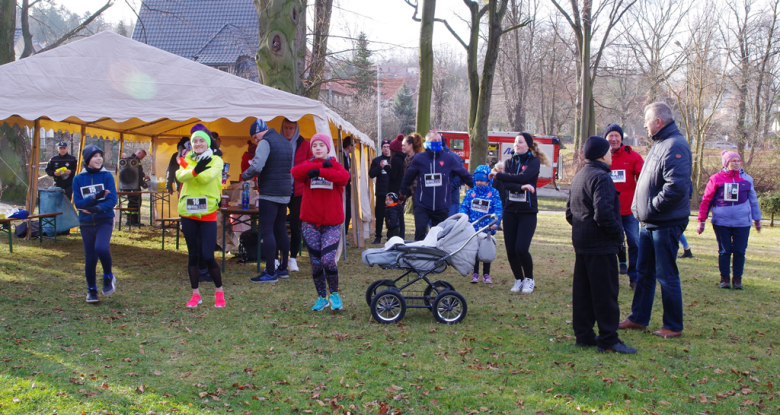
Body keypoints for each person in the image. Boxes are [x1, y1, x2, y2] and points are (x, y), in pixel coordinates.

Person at [620, 102, 692, 339]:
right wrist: (637, 208)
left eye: (646, 120)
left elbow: (676, 187)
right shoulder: (659, 144)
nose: (644, 124)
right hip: (649, 222)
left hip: (665, 223)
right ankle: (638, 318)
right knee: (644, 272)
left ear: (658, 122)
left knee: (666, 274)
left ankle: (673, 325)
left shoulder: (675, 145)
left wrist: (650, 208)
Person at [566, 136, 637, 354]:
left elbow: (570, 213)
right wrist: (618, 236)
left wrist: (583, 228)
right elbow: (604, 214)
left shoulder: (579, 176)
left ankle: (584, 335)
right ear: (601, 154)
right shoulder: (602, 177)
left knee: (583, 293)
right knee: (606, 294)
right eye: (608, 151)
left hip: (582, 243)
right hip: (600, 245)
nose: (610, 155)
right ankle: (608, 339)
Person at [291, 133, 351, 311]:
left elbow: (344, 178)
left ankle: (334, 294)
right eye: (314, 145)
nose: (317, 148)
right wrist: (313, 167)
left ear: (327, 148)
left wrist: (321, 171)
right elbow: (295, 172)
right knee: (316, 262)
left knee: (327, 260)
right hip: (310, 222)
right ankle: (321, 297)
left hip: (332, 223)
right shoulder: (307, 164)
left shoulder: (335, 165)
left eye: (321, 145)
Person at [696, 150, 762, 290]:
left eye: (738, 160)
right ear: (726, 162)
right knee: (724, 251)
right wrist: (701, 221)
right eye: (733, 160)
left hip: (742, 222)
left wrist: (757, 219)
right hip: (721, 222)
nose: (736, 163)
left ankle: (737, 280)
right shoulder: (716, 178)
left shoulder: (747, 180)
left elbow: (754, 201)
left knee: (739, 251)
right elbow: (707, 200)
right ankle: (724, 279)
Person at [494, 133, 550, 294]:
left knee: (521, 248)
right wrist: (522, 187)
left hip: (527, 212)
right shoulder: (508, 162)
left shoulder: (533, 162)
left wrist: (500, 175)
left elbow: (523, 177)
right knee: (511, 250)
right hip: (510, 211)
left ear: (528, 145)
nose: (516, 144)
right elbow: (507, 184)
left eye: (520, 142)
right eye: (515, 142)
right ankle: (518, 279)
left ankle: (529, 279)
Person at [176, 130, 226, 308]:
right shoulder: (187, 159)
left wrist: (193, 172)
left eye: (201, 141)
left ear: (208, 143)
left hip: (207, 213)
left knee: (208, 255)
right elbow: (180, 175)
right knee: (193, 256)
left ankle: (219, 291)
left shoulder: (216, 160)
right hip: (188, 213)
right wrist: (194, 170)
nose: (198, 144)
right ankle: (195, 294)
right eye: (194, 141)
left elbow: (207, 178)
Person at [242, 119, 293, 282]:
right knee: (281, 230)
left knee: (267, 231)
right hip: (284, 192)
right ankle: (283, 268)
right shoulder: (285, 142)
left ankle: (270, 271)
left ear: (258, 132)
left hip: (269, 192)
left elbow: (257, 166)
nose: (256, 141)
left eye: (255, 137)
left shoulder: (266, 142)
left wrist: (245, 175)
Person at [399, 131, 473, 241]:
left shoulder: (449, 158)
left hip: (441, 205)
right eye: (433, 141)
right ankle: (419, 255)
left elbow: (464, 174)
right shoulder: (420, 159)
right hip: (422, 204)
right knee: (420, 230)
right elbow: (408, 178)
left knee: (440, 235)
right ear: (427, 143)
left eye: (438, 140)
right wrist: (402, 194)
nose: (436, 143)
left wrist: (476, 187)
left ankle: (437, 256)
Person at [72, 145, 118, 303]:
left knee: (101, 248)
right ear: (87, 160)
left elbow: (112, 200)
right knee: (90, 258)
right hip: (85, 224)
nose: (99, 159)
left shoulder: (107, 176)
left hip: (104, 220)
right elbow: (78, 203)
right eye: (95, 156)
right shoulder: (78, 179)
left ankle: (108, 276)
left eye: (100, 155)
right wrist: (94, 197)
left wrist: (96, 208)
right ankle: (91, 290)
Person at [604, 123, 644, 289]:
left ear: (621, 138)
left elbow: (643, 178)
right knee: (611, 245)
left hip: (629, 211)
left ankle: (634, 277)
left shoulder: (633, 156)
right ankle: (611, 277)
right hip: (608, 211)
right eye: (610, 136)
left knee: (634, 242)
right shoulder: (602, 157)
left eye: (616, 136)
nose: (613, 139)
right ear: (606, 138)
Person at [459, 165, 502, 284]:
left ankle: (487, 274)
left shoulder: (493, 193)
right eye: (477, 180)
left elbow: (497, 208)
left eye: (482, 180)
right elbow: (464, 206)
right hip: (473, 227)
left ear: (488, 180)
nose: (479, 183)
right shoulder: (470, 193)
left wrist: (495, 222)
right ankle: (475, 273)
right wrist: (463, 218)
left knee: (486, 249)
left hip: (487, 227)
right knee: (475, 250)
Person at [283, 118, 314, 273]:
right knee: (278, 225)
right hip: (281, 190)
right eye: (286, 128)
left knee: (296, 226)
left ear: (296, 129)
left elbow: (310, 164)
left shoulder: (305, 145)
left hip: (299, 191)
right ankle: (278, 258)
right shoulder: (278, 142)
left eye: (291, 128)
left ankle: (293, 258)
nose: (288, 130)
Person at [369, 139, 393, 244]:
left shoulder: (394, 160)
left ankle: (391, 236)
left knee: (392, 215)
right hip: (381, 192)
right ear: (381, 148)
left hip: (392, 193)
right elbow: (371, 174)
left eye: (388, 146)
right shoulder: (376, 160)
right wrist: (380, 167)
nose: (386, 148)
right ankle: (378, 236)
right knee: (379, 215)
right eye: (384, 146)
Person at [388, 134, 407, 238]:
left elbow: (393, 176)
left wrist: (386, 169)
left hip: (395, 190)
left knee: (394, 214)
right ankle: (401, 235)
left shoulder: (395, 160)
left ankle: (396, 235)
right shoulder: (404, 159)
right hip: (402, 190)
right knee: (400, 214)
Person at [125, 149, 149, 226]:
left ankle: (135, 220)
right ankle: (129, 221)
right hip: (131, 186)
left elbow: (139, 173)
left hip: (136, 186)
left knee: (137, 203)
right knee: (132, 203)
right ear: (138, 152)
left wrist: (143, 182)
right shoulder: (130, 160)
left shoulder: (136, 160)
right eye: (141, 156)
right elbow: (135, 173)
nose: (141, 158)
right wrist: (143, 175)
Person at [342, 136, 354, 235]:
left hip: (347, 188)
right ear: (350, 146)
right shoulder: (341, 155)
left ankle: (344, 233)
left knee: (348, 211)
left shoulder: (348, 156)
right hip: (342, 187)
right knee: (345, 211)